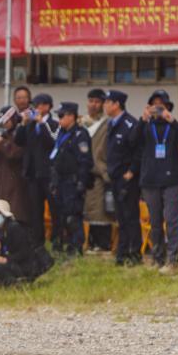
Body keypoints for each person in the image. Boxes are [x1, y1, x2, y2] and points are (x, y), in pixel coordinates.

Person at [132, 89, 178, 274]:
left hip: (171, 180)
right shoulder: (145, 125)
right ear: (149, 107)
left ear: (167, 107)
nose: (158, 109)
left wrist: (172, 120)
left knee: (172, 220)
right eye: (154, 105)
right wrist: (142, 119)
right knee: (155, 221)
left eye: (161, 105)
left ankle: (172, 260)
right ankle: (158, 258)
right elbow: (131, 141)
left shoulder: (172, 126)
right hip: (150, 180)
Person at [48, 102, 93, 256]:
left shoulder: (80, 134)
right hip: (60, 180)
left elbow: (85, 161)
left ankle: (76, 248)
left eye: (62, 116)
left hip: (73, 182)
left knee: (73, 216)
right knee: (61, 216)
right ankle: (63, 245)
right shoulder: (62, 133)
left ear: (71, 116)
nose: (59, 119)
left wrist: (81, 182)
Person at [102, 90, 141, 266]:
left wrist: (131, 171)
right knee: (121, 217)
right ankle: (122, 252)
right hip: (115, 177)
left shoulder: (130, 124)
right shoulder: (112, 123)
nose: (105, 105)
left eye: (107, 102)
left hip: (127, 178)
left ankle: (134, 253)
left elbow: (138, 151)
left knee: (130, 216)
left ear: (117, 104)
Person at [14, 93, 57, 246]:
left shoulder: (54, 124)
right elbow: (19, 141)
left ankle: (56, 240)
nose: (36, 109)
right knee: (35, 210)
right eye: (34, 106)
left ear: (47, 106)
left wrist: (41, 123)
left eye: (39, 105)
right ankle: (37, 242)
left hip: (48, 173)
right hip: (33, 173)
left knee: (54, 209)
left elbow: (51, 143)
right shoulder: (30, 124)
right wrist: (23, 124)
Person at [0, 199, 52, 287]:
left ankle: (19, 281)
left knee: (0, 267)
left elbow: (24, 253)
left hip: (23, 265)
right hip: (12, 262)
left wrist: (7, 259)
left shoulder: (14, 228)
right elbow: (4, 252)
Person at [80, 89, 113, 252]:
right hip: (82, 173)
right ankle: (89, 241)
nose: (93, 105)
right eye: (91, 101)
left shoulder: (108, 124)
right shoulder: (81, 122)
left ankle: (102, 243)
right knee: (86, 209)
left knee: (101, 210)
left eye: (97, 102)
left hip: (100, 172)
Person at [0, 105, 29, 227]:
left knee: (15, 212)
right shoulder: (4, 135)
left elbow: (16, 154)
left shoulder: (20, 134)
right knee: (0, 214)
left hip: (16, 180)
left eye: (6, 121)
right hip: (2, 180)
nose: (4, 124)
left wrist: (2, 144)